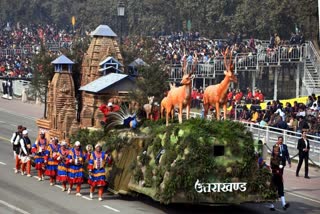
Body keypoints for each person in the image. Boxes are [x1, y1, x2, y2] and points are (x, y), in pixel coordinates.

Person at [270, 145, 290, 211]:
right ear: (274, 151)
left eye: (278, 151)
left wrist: (282, 165)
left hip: (279, 176)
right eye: (275, 151)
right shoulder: (272, 158)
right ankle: (271, 206)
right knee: (273, 191)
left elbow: (282, 164)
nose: (277, 152)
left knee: (281, 190)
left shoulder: (280, 157)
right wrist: (279, 165)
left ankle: (284, 205)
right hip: (274, 176)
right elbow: (273, 165)